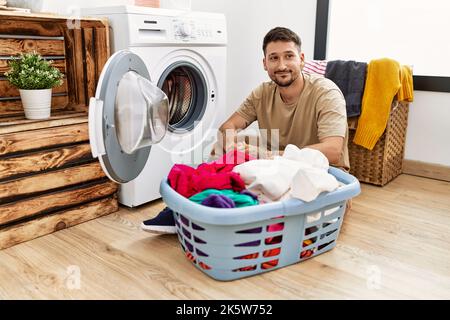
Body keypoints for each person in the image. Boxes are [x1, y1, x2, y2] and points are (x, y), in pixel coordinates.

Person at [142, 27, 350, 234]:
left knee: (244, 176)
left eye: (289, 56)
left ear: (302, 59)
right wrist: (233, 148)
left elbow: (333, 150)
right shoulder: (263, 93)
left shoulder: (326, 92)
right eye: (274, 58)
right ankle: (188, 210)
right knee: (220, 155)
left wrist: (268, 155)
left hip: (321, 171)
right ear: (265, 63)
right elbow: (228, 126)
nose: (282, 65)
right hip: (274, 167)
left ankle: (201, 217)